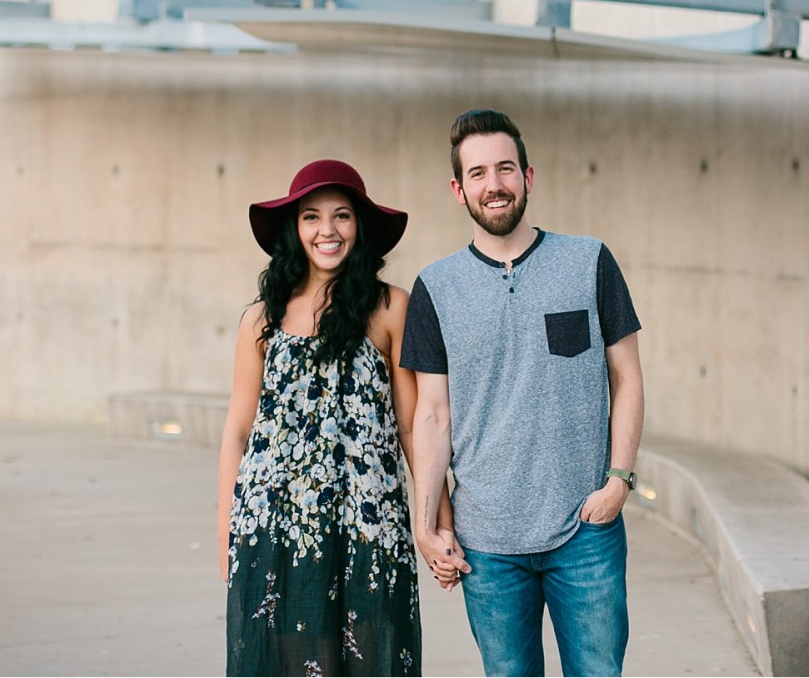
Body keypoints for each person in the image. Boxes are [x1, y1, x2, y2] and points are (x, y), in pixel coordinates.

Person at [402, 109, 646, 678]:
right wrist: (425, 524)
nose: (495, 185)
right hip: (487, 542)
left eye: (505, 169)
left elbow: (628, 378)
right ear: (459, 189)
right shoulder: (435, 288)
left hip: (585, 531)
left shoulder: (588, 261)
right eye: (479, 173)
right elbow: (432, 416)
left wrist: (620, 480)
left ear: (528, 178)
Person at [218, 159, 454, 677]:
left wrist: (440, 519)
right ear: (294, 229)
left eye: (342, 216)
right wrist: (225, 534)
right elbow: (238, 432)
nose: (327, 230)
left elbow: (415, 427)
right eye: (311, 217)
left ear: (359, 227)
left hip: (368, 526)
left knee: (373, 660)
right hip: (274, 525)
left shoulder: (392, 307)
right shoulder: (261, 319)